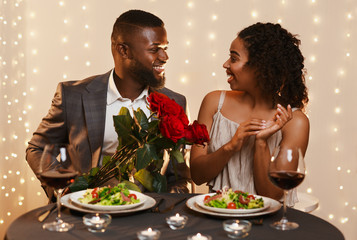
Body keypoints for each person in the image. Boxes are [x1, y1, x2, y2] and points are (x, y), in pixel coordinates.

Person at [26, 10, 190, 200]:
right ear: (123, 50)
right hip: (86, 215)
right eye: (154, 49)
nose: (164, 56)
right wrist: (63, 192)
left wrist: (161, 206)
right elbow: (36, 148)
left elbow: (181, 179)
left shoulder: (175, 103)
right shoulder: (73, 96)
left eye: (165, 48)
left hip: (149, 220)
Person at [190, 22, 309, 201]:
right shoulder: (214, 102)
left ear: (260, 67)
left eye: (234, 58)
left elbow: (272, 195)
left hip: (268, 224)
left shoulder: (295, 122)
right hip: (217, 217)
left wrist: (261, 142)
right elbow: (197, 176)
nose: (225, 64)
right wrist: (231, 146)